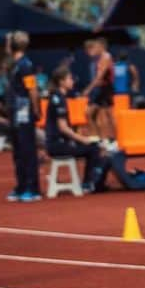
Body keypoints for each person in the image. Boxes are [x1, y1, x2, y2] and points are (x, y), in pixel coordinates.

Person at [44, 63, 109, 193]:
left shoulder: (60, 97)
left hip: (60, 143)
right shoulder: (58, 99)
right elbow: (62, 128)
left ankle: (89, 182)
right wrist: (82, 139)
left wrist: (82, 137)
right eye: (70, 78)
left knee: (94, 145)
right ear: (62, 81)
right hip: (57, 145)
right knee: (94, 149)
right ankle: (88, 183)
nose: (72, 81)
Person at [6, 31, 40, 202]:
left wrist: (36, 109)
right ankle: (21, 186)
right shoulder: (15, 64)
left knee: (27, 150)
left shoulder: (26, 64)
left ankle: (32, 188)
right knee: (18, 152)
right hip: (14, 112)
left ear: (13, 45)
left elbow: (32, 89)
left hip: (24, 113)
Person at [83, 35, 116, 142]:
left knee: (108, 116)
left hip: (105, 89)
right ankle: (99, 139)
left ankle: (113, 140)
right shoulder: (98, 59)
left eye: (96, 46)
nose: (95, 49)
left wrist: (88, 89)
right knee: (91, 114)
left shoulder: (106, 57)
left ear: (102, 46)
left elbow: (99, 76)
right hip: (100, 90)